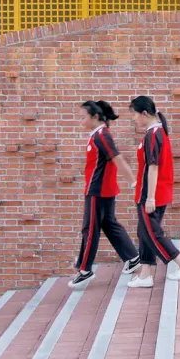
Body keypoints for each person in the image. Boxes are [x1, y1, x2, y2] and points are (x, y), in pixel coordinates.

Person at [69, 100, 141, 289]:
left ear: (95, 117)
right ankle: (133, 258)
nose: (80, 121)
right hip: (102, 190)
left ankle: (85, 270)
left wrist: (134, 182)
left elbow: (117, 159)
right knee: (109, 224)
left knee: (90, 229)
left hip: (97, 191)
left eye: (83, 117)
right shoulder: (98, 135)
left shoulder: (101, 135)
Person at [126, 96, 180, 288]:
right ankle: (146, 274)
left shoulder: (153, 134)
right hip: (153, 191)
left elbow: (153, 167)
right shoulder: (156, 132)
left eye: (135, 115)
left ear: (145, 113)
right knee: (144, 232)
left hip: (151, 194)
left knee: (152, 233)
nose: (134, 119)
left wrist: (149, 197)